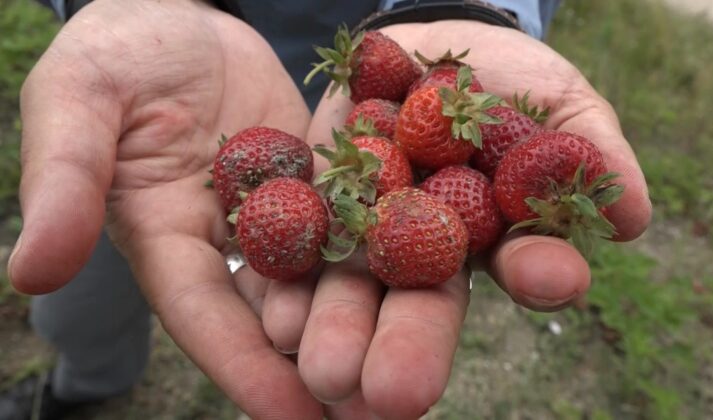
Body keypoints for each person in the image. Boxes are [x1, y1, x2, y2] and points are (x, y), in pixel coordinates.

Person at [1, 0, 652, 419]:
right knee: (84, 296)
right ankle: (85, 383)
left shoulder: (414, 142)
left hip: (379, 52)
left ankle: (84, 383)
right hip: (188, 100)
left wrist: (465, 7)